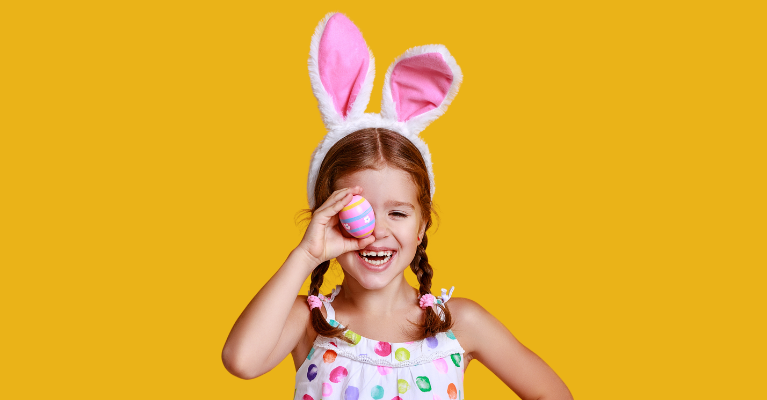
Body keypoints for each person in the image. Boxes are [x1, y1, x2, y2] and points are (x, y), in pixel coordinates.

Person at [222, 12, 571, 399]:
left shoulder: (457, 322)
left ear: (422, 225)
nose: (378, 230)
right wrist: (306, 254)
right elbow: (241, 360)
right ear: (326, 216)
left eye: (398, 213)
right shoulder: (310, 320)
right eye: (359, 209)